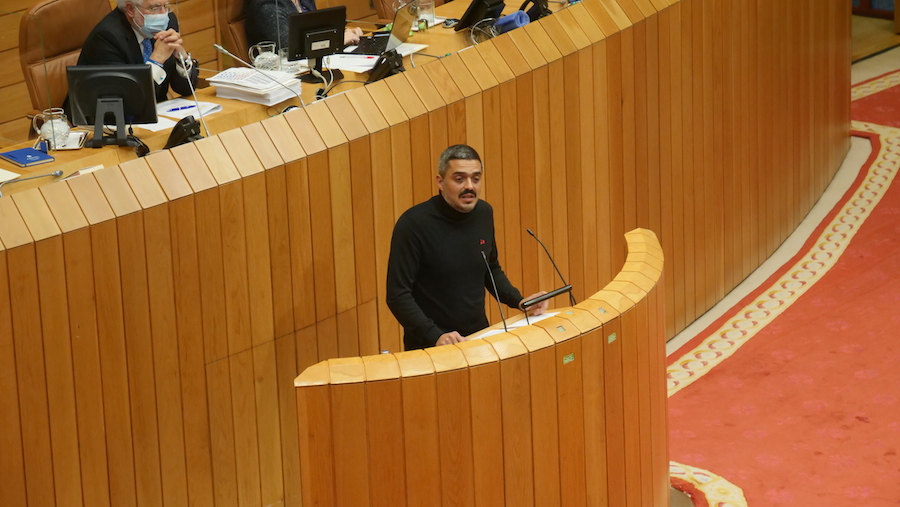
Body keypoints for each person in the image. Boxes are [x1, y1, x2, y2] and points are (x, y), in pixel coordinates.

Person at [386, 144, 549, 350]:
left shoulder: (483, 213)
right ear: (440, 182)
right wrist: (435, 335)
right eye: (459, 179)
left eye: (476, 178)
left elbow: (491, 269)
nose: (469, 186)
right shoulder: (413, 224)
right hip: (431, 347)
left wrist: (520, 301)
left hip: (478, 338)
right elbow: (397, 295)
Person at [78, 0, 199, 104]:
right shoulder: (107, 37)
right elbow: (127, 101)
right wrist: (156, 61)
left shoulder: (168, 22)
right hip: (105, 122)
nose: (163, 14)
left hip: (157, 114)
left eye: (166, 6)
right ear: (130, 9)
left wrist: (181, 59)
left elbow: (185, 89)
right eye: (154, 8)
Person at [244, 0, 364, 50]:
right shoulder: (265, 5)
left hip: (313, 66)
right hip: (288, 78)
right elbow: (289, 44)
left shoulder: (303, 1)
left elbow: (314, 31)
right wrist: (336, 40)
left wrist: (344, 33)